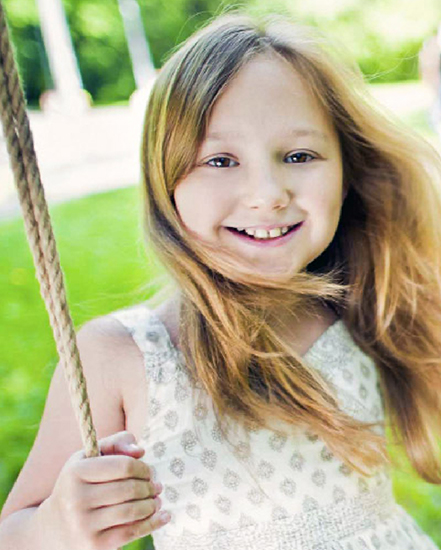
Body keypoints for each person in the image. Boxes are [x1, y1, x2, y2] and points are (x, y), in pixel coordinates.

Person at [1, 10, 441, 550]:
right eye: (221, 159)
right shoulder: (125, 354)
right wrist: (56, 525)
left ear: (348, 172)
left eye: (299, 155)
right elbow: (13, 532)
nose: (268, 192)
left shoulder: (363, 303)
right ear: (166, 181)